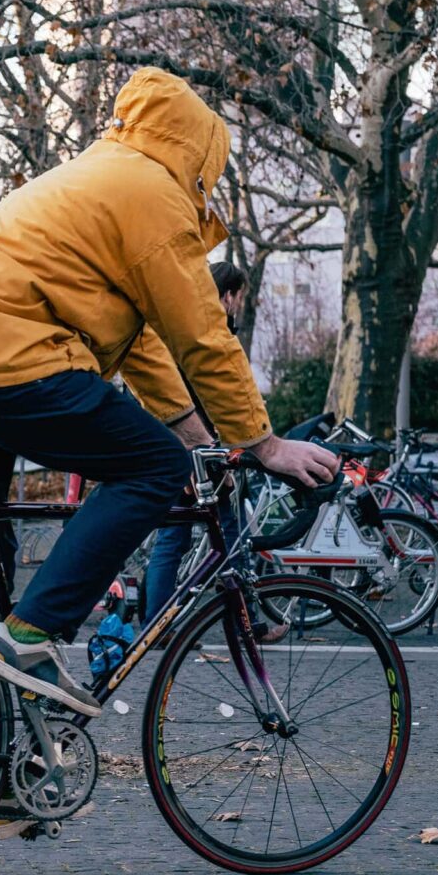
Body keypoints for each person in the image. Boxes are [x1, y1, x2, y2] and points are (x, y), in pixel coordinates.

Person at [0, 67, 338, 833]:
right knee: (150, 469)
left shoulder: (96, 178)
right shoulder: (152, 192)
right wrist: (261, 442)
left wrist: (198, 434)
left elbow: (146, 343)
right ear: (198, 154)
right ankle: (35, 637)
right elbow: (202, 335)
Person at [139, 261, 284, 641]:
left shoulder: (180, 323)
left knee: (175, 537)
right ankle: (246, 626)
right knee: (230, 535)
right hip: (198, 452)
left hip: (176, 447)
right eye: (238, 298)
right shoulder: (206, 331)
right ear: (229, 295)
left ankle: (157, 626)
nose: (237, 307)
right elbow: (214, 394)